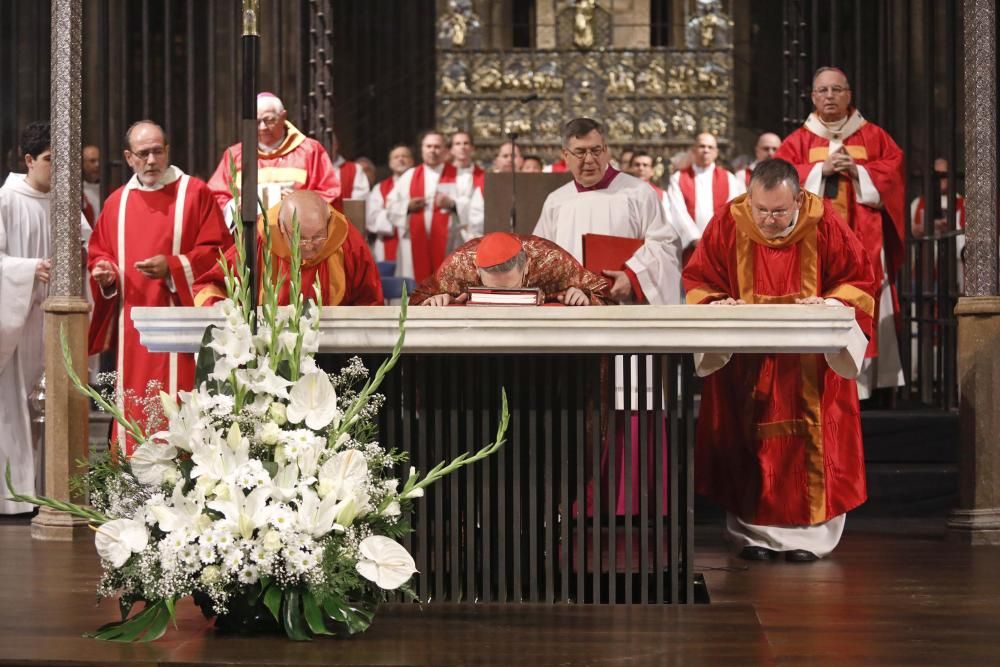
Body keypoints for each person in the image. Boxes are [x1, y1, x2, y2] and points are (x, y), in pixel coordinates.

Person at [683, 158, 876, 562]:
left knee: (811, 444)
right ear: (749, 199)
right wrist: (721, 303)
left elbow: (859, 280)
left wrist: (829, 303)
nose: (769, 221)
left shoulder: (826, 222)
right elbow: (699, 279)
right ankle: (750, 536)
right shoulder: (728, 222)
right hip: (747, 362)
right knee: (747, 442)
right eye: (762, 210)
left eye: (779, 211)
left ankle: (811, 539)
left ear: (799, 199)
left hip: (811, 364)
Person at [88, 121, 233, 456]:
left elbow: (219, 252)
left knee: (179, 403)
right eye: (143, 154)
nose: (151, 160)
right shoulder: (116, 203)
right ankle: (131, 479)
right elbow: (100, 252)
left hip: (180, 326)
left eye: (157, 151)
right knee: (136, 403)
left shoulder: (195, 193)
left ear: (167, 151)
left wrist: (172, 267)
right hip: (133, 329)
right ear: (128, 157)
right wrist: (105, 273)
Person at [775, 66, 906, 399]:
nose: (829, 96)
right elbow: (776, 182)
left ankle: (864, 390)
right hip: (814, 247)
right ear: (813, 96)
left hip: (865, 242)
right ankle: (818, 386)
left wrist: (860, 172)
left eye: (836, 90)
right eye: (822, 91)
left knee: (864, 302)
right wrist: (821, 170)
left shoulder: (874, 136)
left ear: (849, 95)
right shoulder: (798, 141)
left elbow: (894, 173)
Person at [0, 122, 89, 514]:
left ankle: (50, 491)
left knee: (50, 402)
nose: (59, 169)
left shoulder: (66, 203)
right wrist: (27, 270)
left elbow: (88, 246)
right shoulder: (6, 200)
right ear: (29, 159)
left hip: (55, 321)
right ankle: (13, 496)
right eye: (52, 160)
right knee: (13, 405)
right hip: (16, 320)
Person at [533, 117, 682, 306]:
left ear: (606, 151)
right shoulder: (556, 201)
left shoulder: (638, 193)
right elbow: (542, 259)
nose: (589, 160)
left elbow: (664, 245)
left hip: (625, 312)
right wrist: (564, 288)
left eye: (596, 151)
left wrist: (633, 277)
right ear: (565, 155)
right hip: (572, 312)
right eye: (580, 152)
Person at [195, 190, 383, 308]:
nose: (309, 246)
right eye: (299, 238)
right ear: (282, 228)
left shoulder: (345, 239)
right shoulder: (262, 238)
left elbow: (369, 299)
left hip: (333, 352)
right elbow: (213, 286)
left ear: (328, 222)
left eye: (318, 236)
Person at [206, 92, 341, 224]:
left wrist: (300, 201)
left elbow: (330, 193)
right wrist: (236, 205)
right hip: (249, 237)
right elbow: (215, 197)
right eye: (257, 122)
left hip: (297, 236)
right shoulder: (236, 155)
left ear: (283, 116)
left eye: (269, 120)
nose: (262, 127)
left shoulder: (309, 151)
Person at [410, 231, 611, 306]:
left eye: (511, 287)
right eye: (495, 290)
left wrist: (584, 295)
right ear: (477, 270)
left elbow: (604, 293)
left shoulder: (550, 259)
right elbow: (418, 299)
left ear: (526, 267)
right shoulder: (460, 263)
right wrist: (436, 301)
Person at [385, 130, 459, 282]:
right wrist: (407, 206)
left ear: (445, 150)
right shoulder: (409, 176)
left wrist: (452, 204)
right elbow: (391, 206)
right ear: (422, 149)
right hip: (414, 244)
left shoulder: (458, 176)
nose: (433, 150)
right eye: (429, 146)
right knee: (416, 287)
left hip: (449, 244)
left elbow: (474, 209)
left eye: (437, 147)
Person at [666, 132, 745, 257]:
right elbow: (678, 210)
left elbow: (733, 210)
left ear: (716, 152)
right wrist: (695, 238)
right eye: (702, 146)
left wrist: (716, 238)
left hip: (719, 246)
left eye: (710, 147)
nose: (706, 150)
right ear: (693, 150)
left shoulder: (729, 178)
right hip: (691, 247)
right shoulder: (679, 178)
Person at [366, 144, 414, 262]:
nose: (400, 159)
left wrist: (389, 211)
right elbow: (372, 219)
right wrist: (404, 211)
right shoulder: (380, 188)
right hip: (387, 243)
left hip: (414, 242)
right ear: (390, 163)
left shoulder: (421, 184)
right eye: (396, 157)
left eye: (404, 156)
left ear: (412, 161)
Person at [447, 130, 486, 249]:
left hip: (472, 234)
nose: (462, 147)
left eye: (466, 143)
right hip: (447, 233)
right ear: (451, 149)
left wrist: (454, 204)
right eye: (458, 144)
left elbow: (482, 208)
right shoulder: (442, 175)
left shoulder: (483, 176)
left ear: (472, 148)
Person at [330, 131, 371, 201]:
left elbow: (359, 201)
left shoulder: (355, 169)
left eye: (329, 143)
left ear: (336, 145)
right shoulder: (310, 169)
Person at [81, 144, 102, 224]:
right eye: (92, 161)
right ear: (83, 163)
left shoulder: (110, 190)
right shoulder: (77, 192)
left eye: (99, 160)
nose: (97, 165)